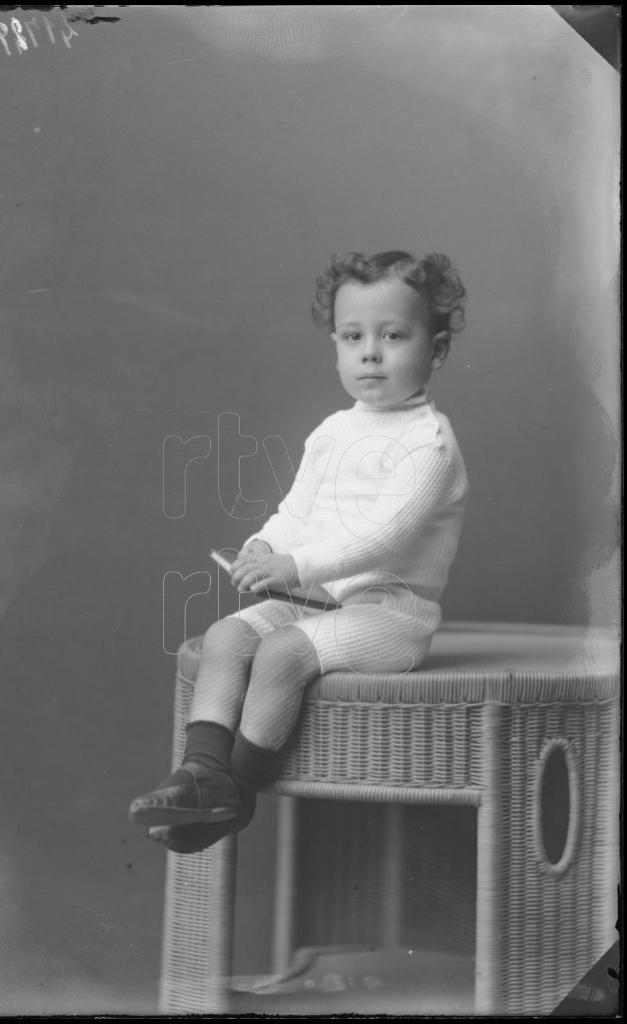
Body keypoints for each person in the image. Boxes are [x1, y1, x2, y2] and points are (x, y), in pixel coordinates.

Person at [129, 250, 468, 853]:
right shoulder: (334, 432)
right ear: (335, 346)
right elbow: (298, 512)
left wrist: (296, 564)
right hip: (316, 598)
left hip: (389, 614)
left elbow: (383, 536)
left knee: (282, 654)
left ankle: (238, 793)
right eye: (352, 336)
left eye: (393, 335)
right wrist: (266, 545)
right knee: (228, 637)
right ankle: (202, 771)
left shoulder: (429, 444)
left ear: (435, 350)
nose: (370, 352)